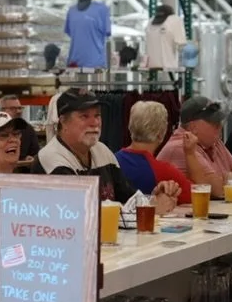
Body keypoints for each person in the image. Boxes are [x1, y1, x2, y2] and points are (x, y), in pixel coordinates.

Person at [39, 91, 180, 213]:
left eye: (97, 115)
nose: (94, 123)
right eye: (84, 116)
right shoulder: (52, 159)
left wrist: (153, 200)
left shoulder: (102, 151)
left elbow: (128, 197)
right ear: (63, 122)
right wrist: (150, 209)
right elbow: (80, 214)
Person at [157, 96, 232, 198]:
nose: (220, 127)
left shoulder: (214, 142)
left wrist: (231, 176)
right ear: (193, 127)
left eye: (220, 122)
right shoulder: (182, 146)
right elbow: (216, 190)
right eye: (215, 124)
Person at [114, 101, 185, 213]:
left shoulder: (111, 161)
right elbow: (196, 193)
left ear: (130, 127)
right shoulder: (164, 171)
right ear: (161, 134)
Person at [142, 4, 188, 71]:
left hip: (151, 64)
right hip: (168, 64)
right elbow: (181, 44)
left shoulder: (150, 21)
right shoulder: (175, 20)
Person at [0, 94, 41, 163]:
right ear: (1, 111)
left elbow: (36, 153)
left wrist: (31, 158)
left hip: (22, 171)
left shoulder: (27, 129)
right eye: (13, 108)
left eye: (20, 108)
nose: (18, 111)